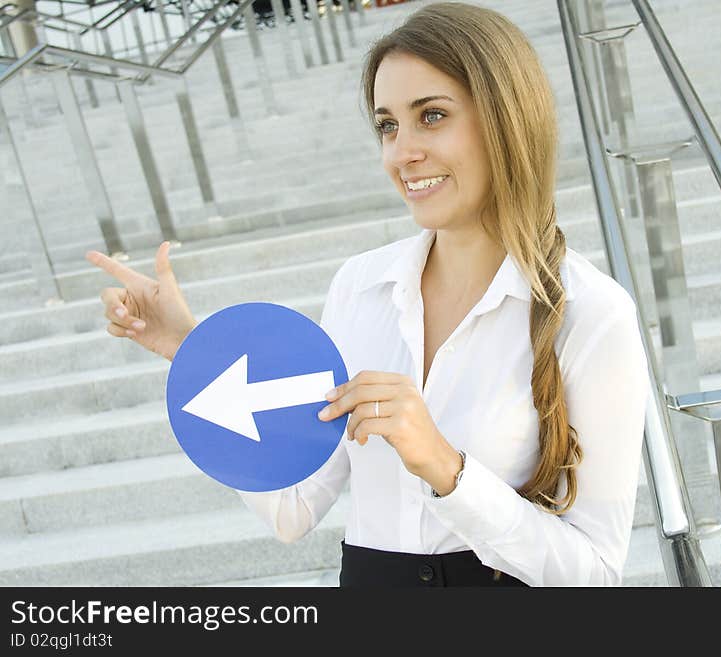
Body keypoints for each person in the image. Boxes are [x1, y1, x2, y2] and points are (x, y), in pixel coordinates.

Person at [85, 2, 649, 587]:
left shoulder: (592, 313)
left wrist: (447, 469)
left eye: (431, 116)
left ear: (506, 119)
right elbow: (293, 509)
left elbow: (596, 574)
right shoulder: (360, 286)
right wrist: (196, 352)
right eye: (388, 125)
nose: (402, 153)